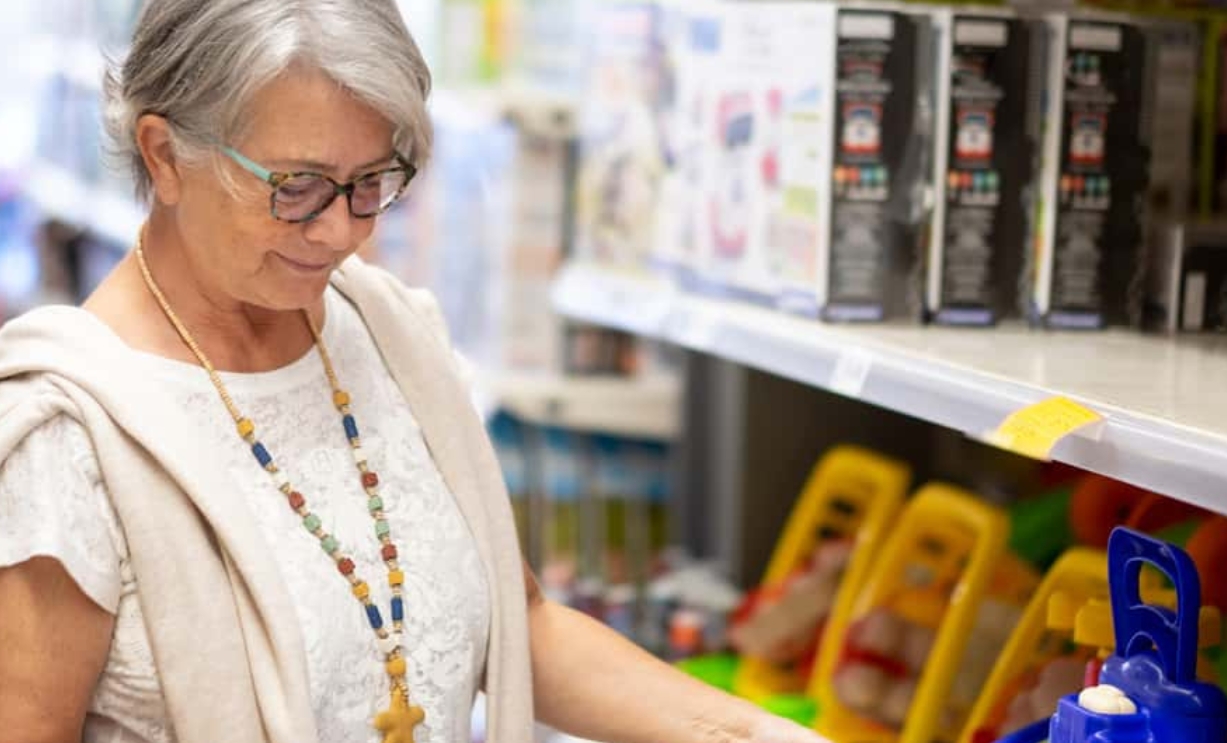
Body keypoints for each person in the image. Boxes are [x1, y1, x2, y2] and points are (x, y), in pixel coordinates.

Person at [0, 2, 834, 742]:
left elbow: (517, 621)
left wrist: (742, 729)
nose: (340, 233)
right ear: (164, 154)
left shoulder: (390, 335)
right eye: (297, 188)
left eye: (372, 182)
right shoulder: (70, 436)